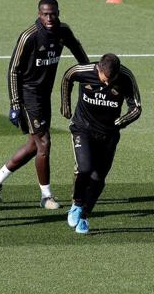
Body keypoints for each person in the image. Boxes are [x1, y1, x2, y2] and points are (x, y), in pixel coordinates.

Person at [0, 0, 89, 209]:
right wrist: (14, 103)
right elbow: (13, 70)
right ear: (39, 14)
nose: (49, 18)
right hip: (28, 95)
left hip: (44, 94)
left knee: (33, 146)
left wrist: (90, 74)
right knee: (44, 143)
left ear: (58, 12)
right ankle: (46, 196)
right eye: (45, 14)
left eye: (53, 14)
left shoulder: (63, 31)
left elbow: (78, 51)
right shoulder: (29, 36)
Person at [60, 53, 141, 234]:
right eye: (104, 80)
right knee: (84, 169)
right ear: (98, 69)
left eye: (111, 81)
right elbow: (67, 77)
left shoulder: (126, 77)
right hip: (83, 128)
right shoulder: (84, 71)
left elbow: (136, 107)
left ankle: (84, 216)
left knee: (98, 178)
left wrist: (121, 122)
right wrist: (65, 104)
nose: (106, 84)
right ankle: (76, 204)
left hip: (108, 135)